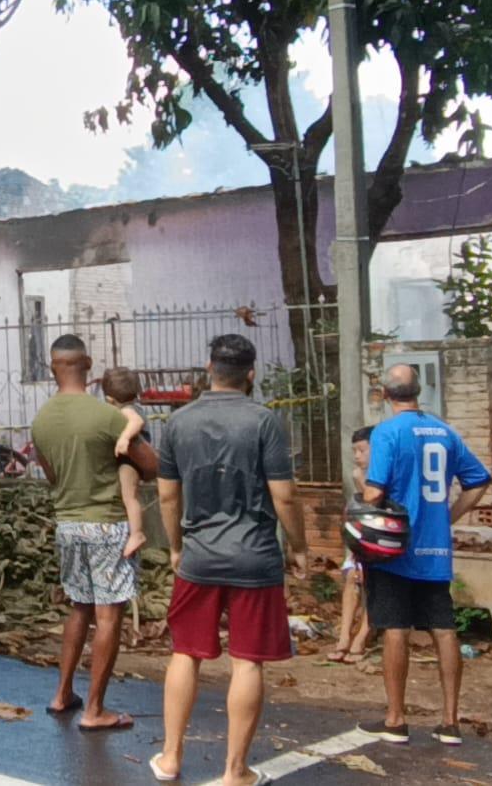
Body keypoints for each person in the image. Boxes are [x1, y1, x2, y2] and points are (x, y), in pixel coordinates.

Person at [152, 334, 308, 786]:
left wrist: (177, 545)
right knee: (247, 661)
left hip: (199, 556)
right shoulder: (264, 422)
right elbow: (285, 495)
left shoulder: (178, 422)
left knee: (185, 652)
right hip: (255, 557)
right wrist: (298, 548)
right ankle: (235, 771)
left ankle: (170, 758)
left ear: (208, 368)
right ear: (251, 374)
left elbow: (166, 494)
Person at [357, 364, 492, 747]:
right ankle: (450, 722)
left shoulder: (387, 433)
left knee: (395, 628)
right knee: (443, 628)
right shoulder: (445, 432)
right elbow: (478, 481)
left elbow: (373, 493)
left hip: (395, 548)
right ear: (419, 392)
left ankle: (396, 719)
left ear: (385, 395)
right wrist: (449, 516)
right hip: (436, 547)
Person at [30, 334, 136, 731]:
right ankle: (95, 710)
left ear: (51, 366)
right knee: (109, 615)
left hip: (68, 524)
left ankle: (62, 694)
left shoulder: (41, 420)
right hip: (107, 523)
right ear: (88, 364)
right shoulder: (108, 416)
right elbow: (151, 463)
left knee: (79, 606)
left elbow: (52, 475)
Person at [328, 426, 375, 664]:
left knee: (375, 584)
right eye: (354, 451)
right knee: (351, 579)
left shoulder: (382, 475)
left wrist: (361, 483)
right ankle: (344, 637)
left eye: (362, 450)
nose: (357, 456)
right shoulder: (358, 474)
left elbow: (376, 508)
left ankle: (361, 639)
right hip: (361, 540)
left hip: (381, 542)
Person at [101, 366, 150, 560]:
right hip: (130, 459)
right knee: (129, 495)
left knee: (130, 496)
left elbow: (136, 422)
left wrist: (124, 439)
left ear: (109, 399)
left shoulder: (129, 410)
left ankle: (137, 533)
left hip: (131, 460)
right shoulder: (133, 405)